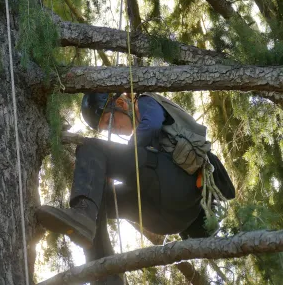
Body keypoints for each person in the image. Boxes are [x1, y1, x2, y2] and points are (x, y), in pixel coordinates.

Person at [37, 92, 234, 282]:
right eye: (107, 129)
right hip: (168, 217)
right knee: (99, 198)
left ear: (121, 104)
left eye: (109, 122)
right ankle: (107, 276)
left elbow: (152, 124)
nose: (112, 131)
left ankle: (83, 214)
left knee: (91, 147)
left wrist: (113, 163)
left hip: (177, 186)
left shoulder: (145, 101)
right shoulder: (144, 149)